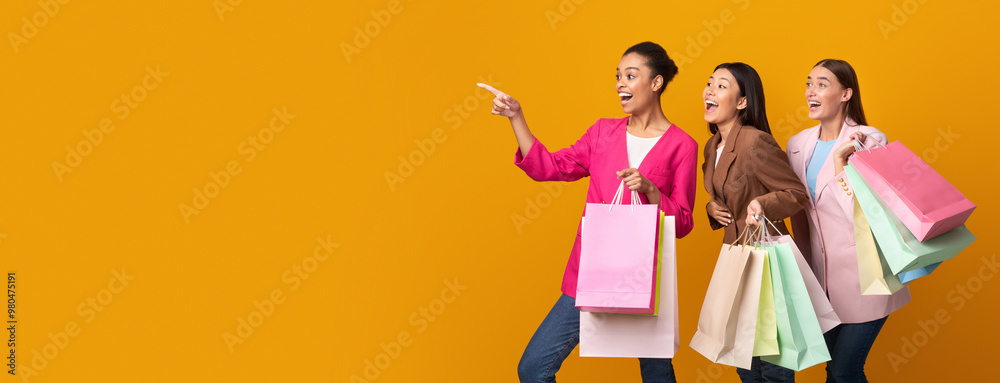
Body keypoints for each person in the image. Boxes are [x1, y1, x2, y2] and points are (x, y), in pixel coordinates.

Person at [480, 41, 697, 383]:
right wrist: (516, 117)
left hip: (646, 278)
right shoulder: (602, 133)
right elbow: (549, 167)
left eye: (631, 75)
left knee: (656, 374)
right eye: (618, 76)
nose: (620, 84)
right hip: (593, 270)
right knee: (534, 368)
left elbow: (683, 222)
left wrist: (652, 190)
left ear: (656, 83)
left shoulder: (682, 145)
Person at [786, 59, 910, 383]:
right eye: (809, 83)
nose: (810, 91)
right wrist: (800, 271)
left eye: (822, 84)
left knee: (844, 371)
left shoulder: (868, 140)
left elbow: (867, 215)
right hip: (820, 278)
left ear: (845, 94)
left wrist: (842, 164)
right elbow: (800, 214)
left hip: (866, 277)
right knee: (832, 370)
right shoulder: (797, 145)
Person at [701, 62, 808, 383]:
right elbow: (724, 190)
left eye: (721, 86)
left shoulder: (754, 142)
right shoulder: (712, 145)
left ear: (743, 102)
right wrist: (712, 207)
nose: (709, 90)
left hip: (766, 262)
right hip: (736, 261)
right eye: (709, 84)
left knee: (773, 361)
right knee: (744, 360)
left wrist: (761, 203)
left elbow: (796, 193)